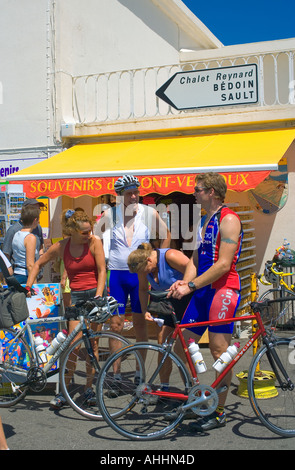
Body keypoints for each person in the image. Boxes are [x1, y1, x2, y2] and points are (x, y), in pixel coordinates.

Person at [169, 172, 243, 432]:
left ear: (212, 191)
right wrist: (184, 283)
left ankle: (219, 411)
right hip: (202, 291)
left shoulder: (229, 219)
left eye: (198, 190)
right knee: (182, 347)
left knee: (218, 353)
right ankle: (199, 399)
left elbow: (223, 264)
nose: (194, 194)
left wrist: (191, 284)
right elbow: (195, 261)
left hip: (224, 289)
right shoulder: (204, 219)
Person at [25, 209, 106, 408]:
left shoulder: (95, 242)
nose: (89, 234)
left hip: (94, 294)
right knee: (73, 347)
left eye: (90, 230)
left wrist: (98, 296)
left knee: (92, 346)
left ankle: (88, 389)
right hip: (76, 297)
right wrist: (29, 285)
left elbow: (103, 269)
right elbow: (38, 264)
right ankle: (64, 391)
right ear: (73, 231)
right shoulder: (62, 246)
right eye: (85, 232)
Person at [95, 175, 171, 354]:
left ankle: (141, 372)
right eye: (130, 193)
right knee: (115, 325)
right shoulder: (109, 214)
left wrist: (160, 262)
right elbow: (95, 239)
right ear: (119, 196)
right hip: (116, 274)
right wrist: (100, 265)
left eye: (136, 192)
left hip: (140, 276)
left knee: (140, 323)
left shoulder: (148, 213)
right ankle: (116, 373)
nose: (134, 197)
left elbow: (166, 234)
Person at [127, 242, 192, 389]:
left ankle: (191, 387)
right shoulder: (143, 267)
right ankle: (165, 386)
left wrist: (185, 284)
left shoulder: (170, 256)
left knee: (182, 347)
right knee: (163, 344)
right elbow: (143, 289)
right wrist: (145, 311)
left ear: (149, 260)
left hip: (187, 300)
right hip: (167, 302)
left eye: (145, 271)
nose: (145, 274)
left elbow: (194, 269)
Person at [2, 199, 44, 277]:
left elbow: (40, 246)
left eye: (39, 210)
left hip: (37, 273)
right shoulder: (13, 230)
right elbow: (6, 254)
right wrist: (6, 276)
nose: (38, 212)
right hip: (22, 274)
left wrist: (41, 259)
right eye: (35, 209)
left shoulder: (38, 228)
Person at [11, 204, 41, 284]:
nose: (38, 222)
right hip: (26, 276)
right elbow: (30, 265)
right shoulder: (30, 238)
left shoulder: (16, 234)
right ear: (35, 220)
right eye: (38, 220)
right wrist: (34, 284)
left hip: (17, 273)